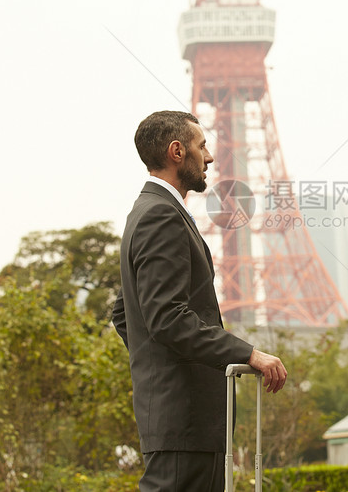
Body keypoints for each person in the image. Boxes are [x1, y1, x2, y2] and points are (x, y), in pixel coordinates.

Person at [112, 110, 288, 492]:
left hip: (181, 415)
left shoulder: (149, 212)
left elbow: (125, 312)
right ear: (177, 151)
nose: (209, 157)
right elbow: (167, 318)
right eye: (201, 145)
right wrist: (248, 353)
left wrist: (156, 367)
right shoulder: (161, 215)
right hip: (184, 416)